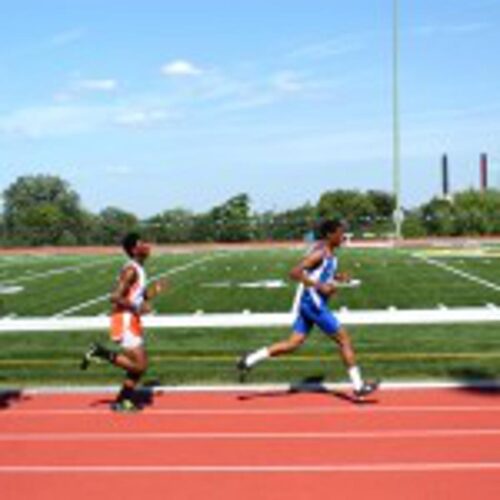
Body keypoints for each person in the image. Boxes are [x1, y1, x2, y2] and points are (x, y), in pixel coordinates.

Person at [237, 219, 379, 400]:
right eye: (340, 233)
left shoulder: (330, 254)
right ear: (330, 234)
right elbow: (295, 272)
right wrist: (319, 286)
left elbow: (319, 273)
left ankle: (249, 360)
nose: (343, 236)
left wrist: (337, 277)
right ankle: (358, 386)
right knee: (344, 340)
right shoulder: (320, 253)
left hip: (309, 305)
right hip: (314, 305)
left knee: (293, 343)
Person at [81, 232, 167, 412]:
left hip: (131, 318)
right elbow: (115, 297)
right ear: (135, 249)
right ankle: (100, 353)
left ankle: (122, 401)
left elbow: (137, 296)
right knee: (140, 365)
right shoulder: (131, 270)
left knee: (138, 367)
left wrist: (154, 291)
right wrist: (137, 308)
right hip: (125, 319)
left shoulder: (138, 268)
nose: (147, 246)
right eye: (142, 243)